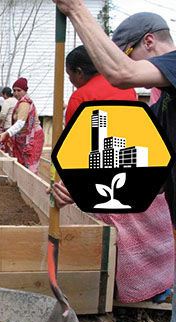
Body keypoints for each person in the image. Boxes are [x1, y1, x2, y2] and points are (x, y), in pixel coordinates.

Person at [51, 2, 176, 322]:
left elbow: (121, 74)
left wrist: (74, 9)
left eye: (127, 54)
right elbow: (146, 174)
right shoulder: (160, 101)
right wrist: (81, 188)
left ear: (149, 43)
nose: (123, 67)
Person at [51, 45, 174, 304]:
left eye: (70, 75)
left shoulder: (80, 97)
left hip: (105, 171)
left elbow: (79, 147)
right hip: (138, 167)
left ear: (80, 71)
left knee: (118, 236)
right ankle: (159, 286)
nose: (70, 81)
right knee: (147, 231)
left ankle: (121, 291)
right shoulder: (124, 86)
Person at [0, 77, 44, 174]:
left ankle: (33, 187)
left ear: (25, 91)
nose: (16, 93)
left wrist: (7, 133)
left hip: (32, 138)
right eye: (14, 90)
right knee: (22, 164)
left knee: (30, 165)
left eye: (19, 90)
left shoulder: (24, 103)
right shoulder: (19, 102)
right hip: (22, 137)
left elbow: (20, 123)